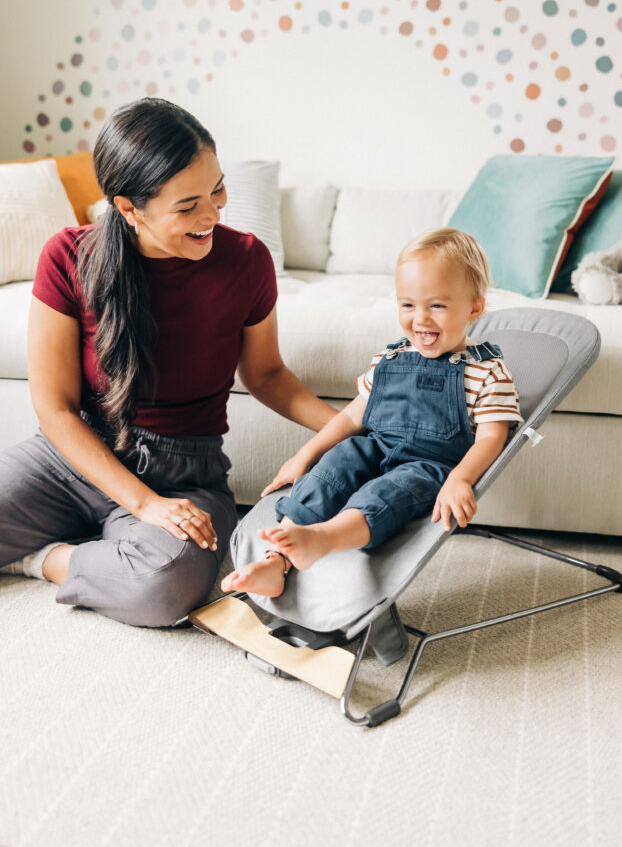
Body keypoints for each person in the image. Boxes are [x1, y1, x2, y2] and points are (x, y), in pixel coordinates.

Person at [0, 98, 336, 626]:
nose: (212, 214)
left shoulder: (246, 259)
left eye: (217, 190)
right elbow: (56, 411)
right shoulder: (68, 256)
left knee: (163, 587)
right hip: (73, 460)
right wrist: (141, 505)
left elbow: (267, 375)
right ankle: (106, 546)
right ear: (129, 208)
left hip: (187, 474)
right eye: (187, 207)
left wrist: (352, 426)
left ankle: (43, 559)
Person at [222, 228, 523, 598]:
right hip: (376, 448)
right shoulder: (391, 359)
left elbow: (493, 436)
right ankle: (274, 561)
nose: (421, 319)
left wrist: (461, 478)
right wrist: (305, 456)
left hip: (428, 465)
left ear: (474, 307)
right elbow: (351, 419)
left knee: (387, 493)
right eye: (408, 305)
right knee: (336, 465)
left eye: (438, 306)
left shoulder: (487, 371)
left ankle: (322, 538)